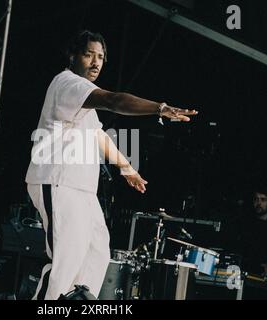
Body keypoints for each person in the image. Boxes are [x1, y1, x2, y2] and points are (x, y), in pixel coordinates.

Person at [25, 30, 198, 300]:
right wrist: (159, 108)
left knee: (97, 251)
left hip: (81, 189)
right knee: (67, 260)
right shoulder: (68, 84)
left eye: (101, 57)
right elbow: (114, 101)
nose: (96, 63)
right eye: (89, 55)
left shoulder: (83, 101)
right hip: (57, 181)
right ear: (72, 56)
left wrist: (126, 167)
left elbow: (98, 136)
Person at [237, 188, 267, 285]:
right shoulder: (247, 222)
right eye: (256, 199)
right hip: (244, 271)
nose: (259, 203)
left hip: (263, 274)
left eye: (263, 200)